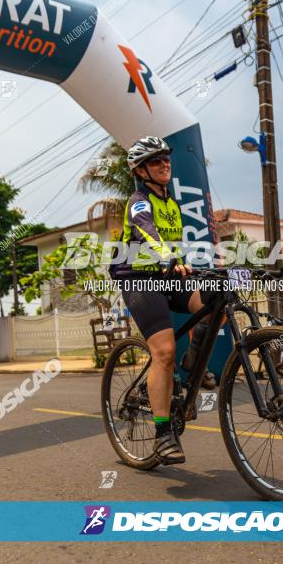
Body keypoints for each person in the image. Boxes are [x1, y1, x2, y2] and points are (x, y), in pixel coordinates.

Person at [112, 136, 212, 465]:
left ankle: (191, 367)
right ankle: (162, 432)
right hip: (139, 278)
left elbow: (175, 246)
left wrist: (187, 265)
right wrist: (168, 257)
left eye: (166, 159)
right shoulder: (139, 201)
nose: (165, 164)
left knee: (214, 305)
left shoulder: (172, 203)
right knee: (164, 352)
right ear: (141, 171)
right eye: (156, 161)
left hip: (167, 273)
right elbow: (147, 233)